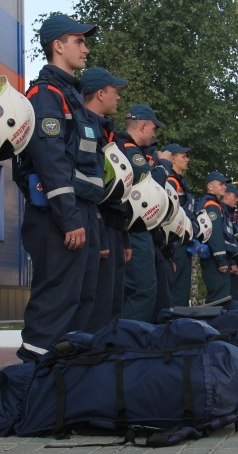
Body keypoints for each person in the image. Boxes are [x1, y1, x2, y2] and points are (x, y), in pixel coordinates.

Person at [16, 14, 104, 362]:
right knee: (54, 303)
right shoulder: (45, 95)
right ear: (58, 46)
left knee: (80, 301)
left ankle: (64, 390)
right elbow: (51, 163)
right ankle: (28, 386)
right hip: (57, 216)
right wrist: (69, 218)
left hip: (80, 211)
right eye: (79, 41)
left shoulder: (71, 96)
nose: (85, 48)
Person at [81, 67, 131, 330]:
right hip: (97, 226)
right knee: (98, 305)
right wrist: (100, 234)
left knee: (113, 303)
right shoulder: (87, 130)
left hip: (113, 227)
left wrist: (123, 236)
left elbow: (118, 191)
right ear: (100, 94)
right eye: (115, 92)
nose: (118, 98)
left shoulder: (109, 133)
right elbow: (93, 190)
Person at [116, 104, 170, 322]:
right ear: (144, 126)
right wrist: (164, 164)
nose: (154, 134)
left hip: (137, 229)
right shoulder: (130, 151)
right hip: (135, 227)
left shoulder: (131, 149)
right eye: (153, 129)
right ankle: (130, 342)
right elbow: (152, 188)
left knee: (150, 291)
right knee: (142, 290)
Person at [165, 143, 195, 307]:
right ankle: (174, 323)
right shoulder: (171, 181)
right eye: (183, 156)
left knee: (184, 287)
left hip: (184, 240)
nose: (187, 159)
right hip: (175, 240)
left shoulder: (181, 181)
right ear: (172, 159)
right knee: (177, 287)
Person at [197, 171, 232, 303]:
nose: (224, 187)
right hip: (213, 257)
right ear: (210, 187)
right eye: (221, 184)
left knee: (219, 294)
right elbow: (215, 233)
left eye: (224, 184)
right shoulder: (211, 205)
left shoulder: (213, 203)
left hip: (212, 256)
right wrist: (221, 259)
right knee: (219, 296)